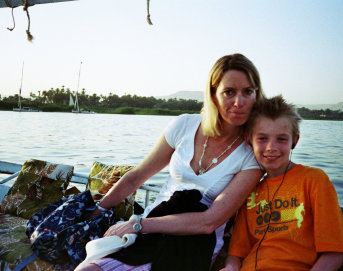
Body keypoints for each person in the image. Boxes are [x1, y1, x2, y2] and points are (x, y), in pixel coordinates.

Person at [76, 53, 266, 271]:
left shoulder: (251, 154)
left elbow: (209, 222)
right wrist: (95, 213)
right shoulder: (184, 125)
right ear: (213, 95)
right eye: (229, 92)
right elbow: (136, 178)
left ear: (256, 95)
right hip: (147, 229)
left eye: (248, 92)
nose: (239, 102)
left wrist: (137, 224)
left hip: (193, 242)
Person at [221, 95, 343, 271]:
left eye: (281, 139)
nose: (271, 147)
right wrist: (230, 268)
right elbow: (236, 253)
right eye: (262, 138)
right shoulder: (250, 189)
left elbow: (334, 253)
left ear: (294, 141)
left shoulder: (314, 179)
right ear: (249, 141)